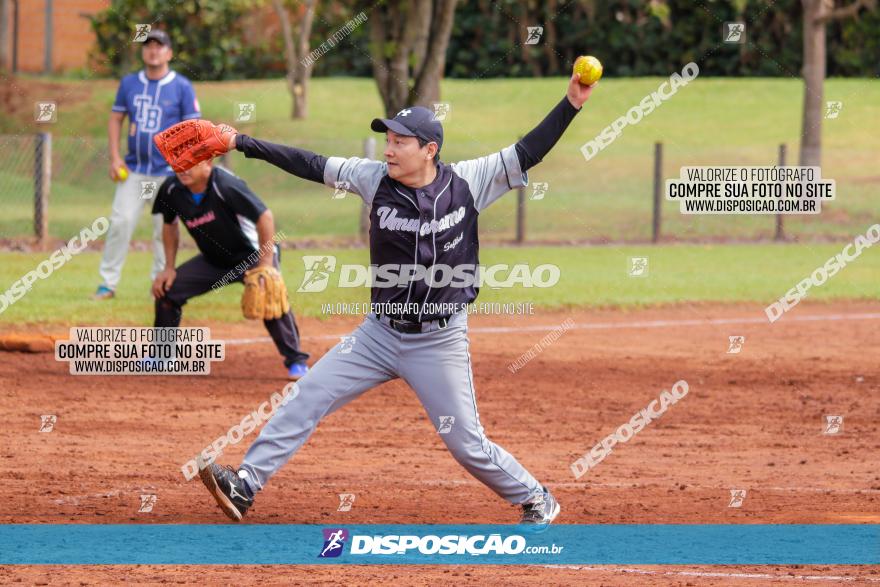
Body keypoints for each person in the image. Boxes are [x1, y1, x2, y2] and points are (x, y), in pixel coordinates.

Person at [195, 74, 596, 526]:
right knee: (307, 395)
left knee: (465, 442)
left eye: (400, 141)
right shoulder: (372, 179)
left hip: (438, 342)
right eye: (387, 139)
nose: (388, 149)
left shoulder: (469, 182)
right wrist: (241, 141)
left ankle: (536, 497)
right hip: (378, 335)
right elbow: (310, 163)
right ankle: (244, 485)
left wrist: (571, 103)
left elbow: (530, 150)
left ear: (429, 149)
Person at [151, 159, 310, 379]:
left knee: (268, 293)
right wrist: (168, 268)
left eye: (190, 163)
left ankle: (297, 361)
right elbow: (170, 225)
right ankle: (162, 355)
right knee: (168, 290)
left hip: (252, 256)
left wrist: (265, 265)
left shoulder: (225, 185)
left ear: (208, 164)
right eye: (179, 164)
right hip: (214, 260)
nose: (183, 169)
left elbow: (265, 217)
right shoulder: (171, 189)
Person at [94, 29, 201, 300]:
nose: (153, 50)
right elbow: (116, 118)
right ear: (143, 51)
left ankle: (160, 284)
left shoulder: (181, 86)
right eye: (148, 46)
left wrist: (188, 165)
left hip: (167, 173)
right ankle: (107, 283)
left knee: (162, 229)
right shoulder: (129, 83)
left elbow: (193, 128)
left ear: (169, 53)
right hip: (133, 170)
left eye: (159, 46)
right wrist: (115, 157)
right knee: (120, 223)